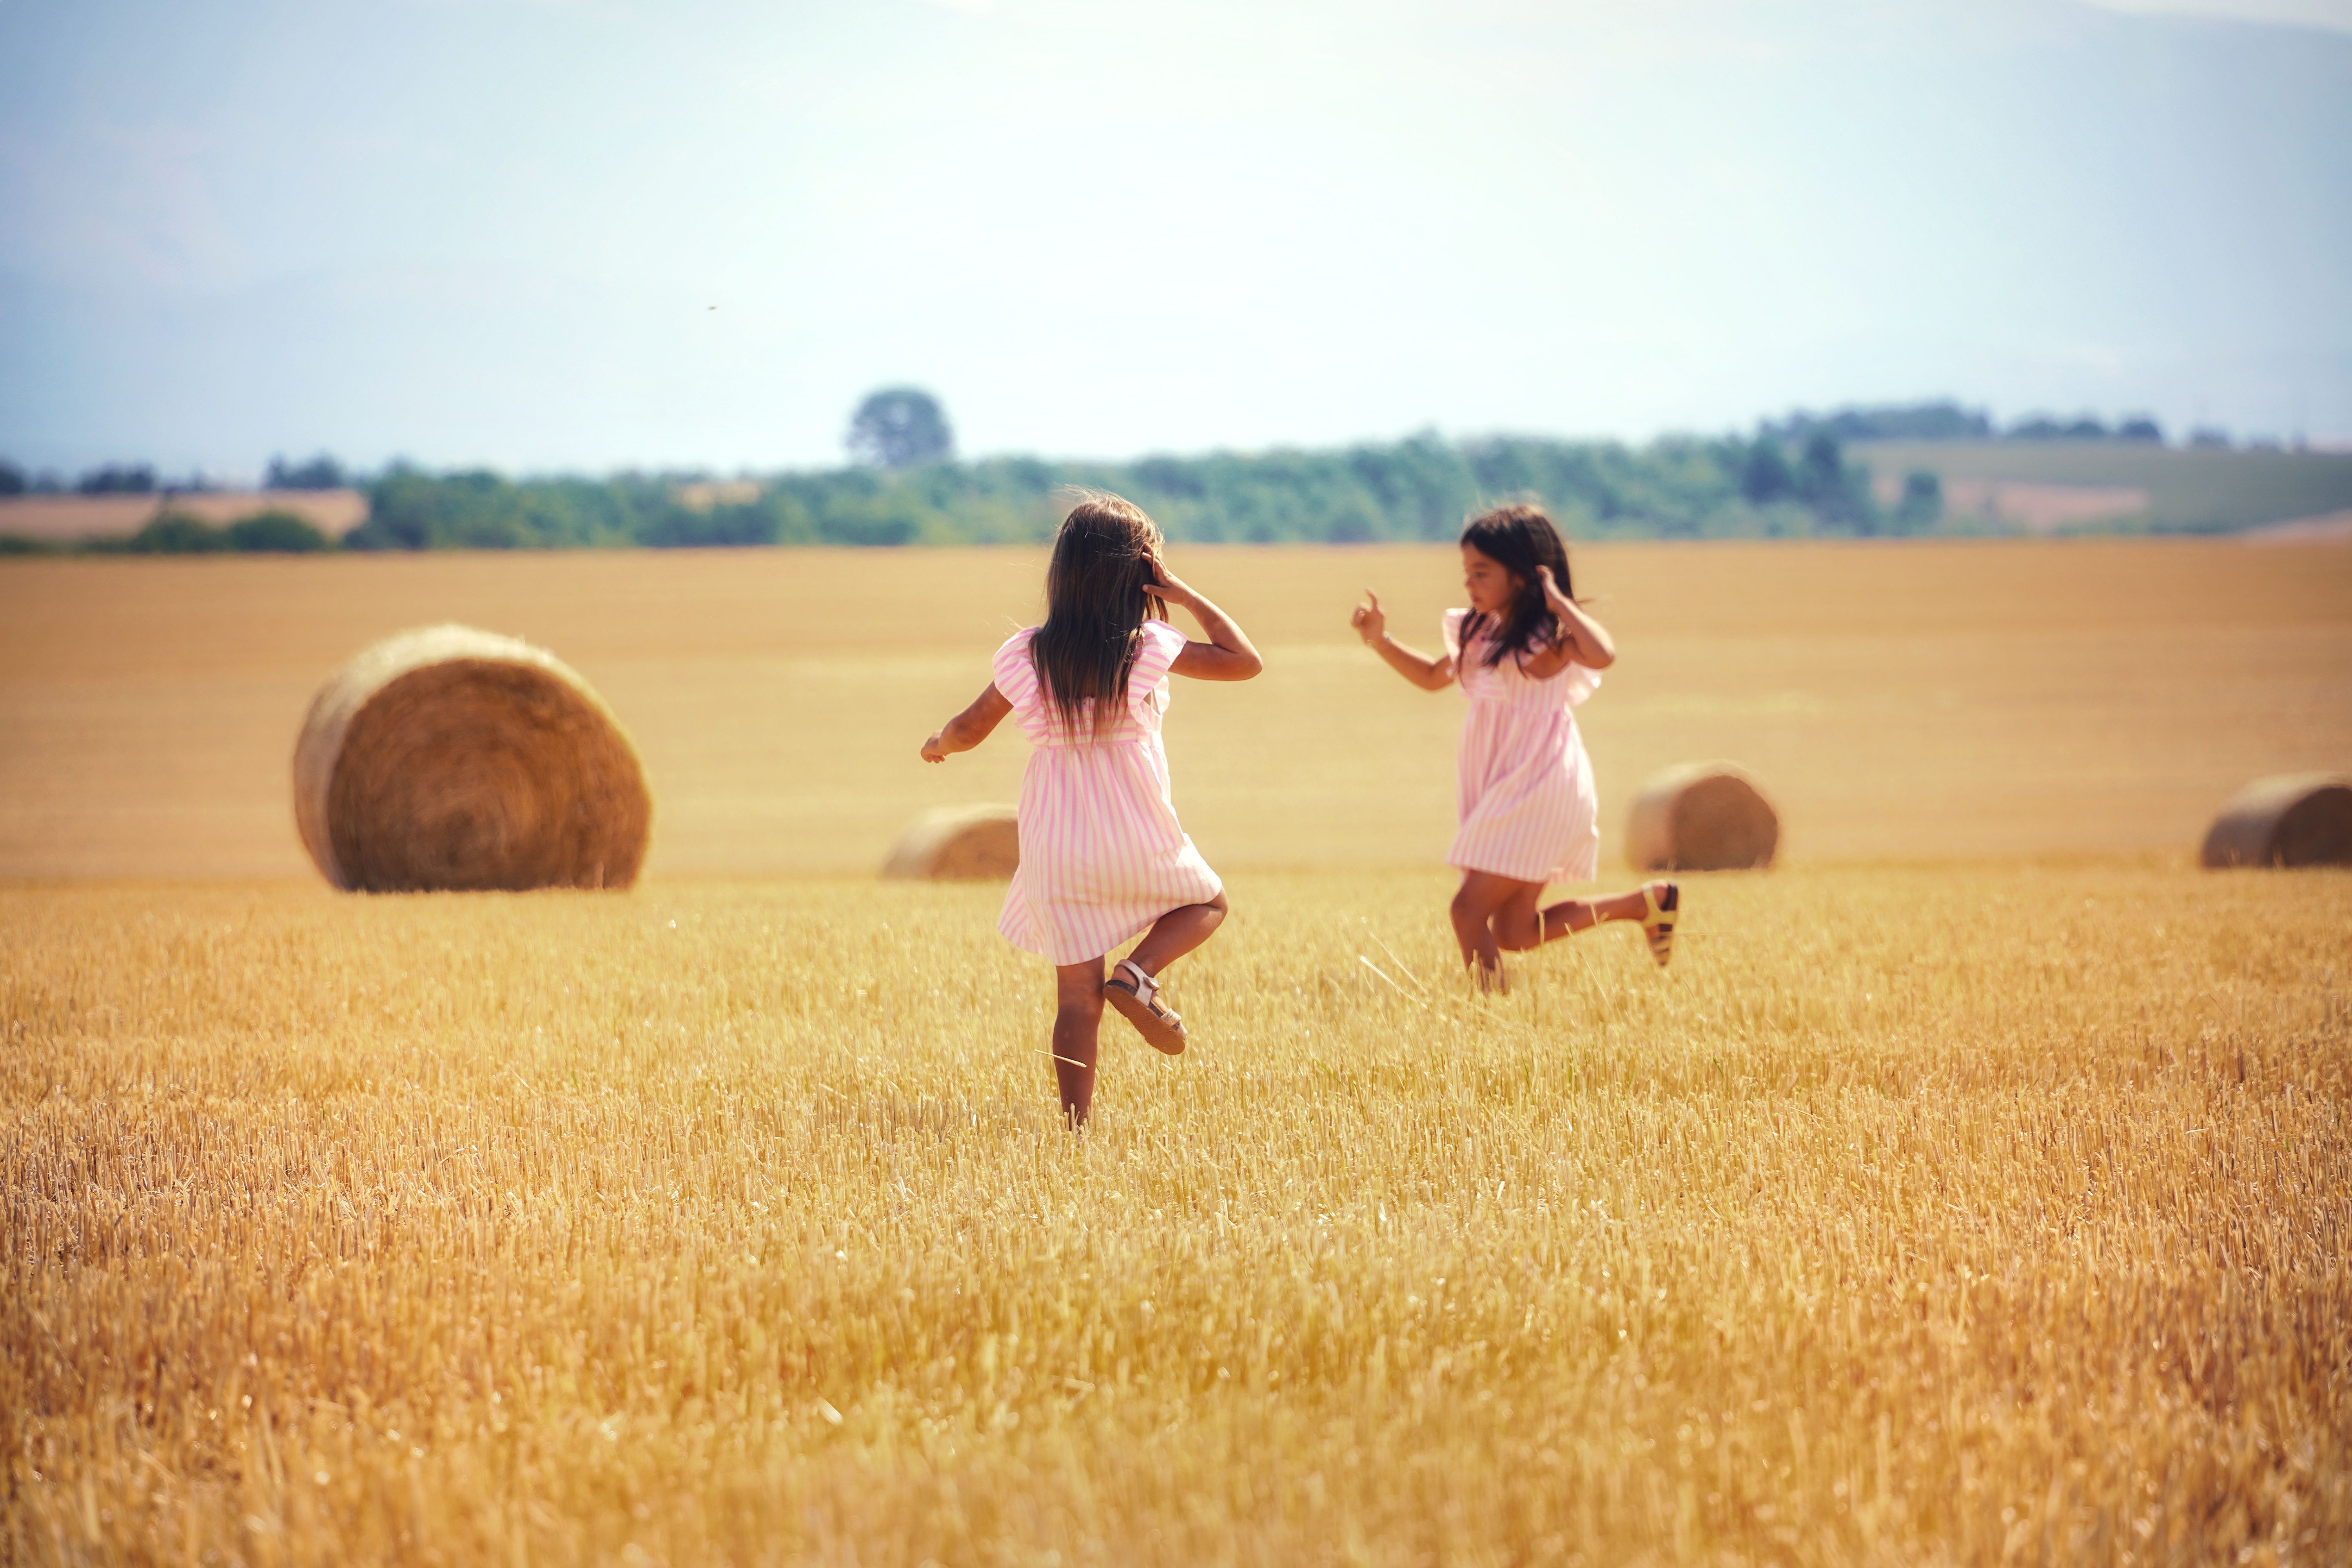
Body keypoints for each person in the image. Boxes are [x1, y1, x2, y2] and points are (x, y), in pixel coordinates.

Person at [921, 491, 1262, 1126]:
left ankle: (1076, 1127)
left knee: (1076, 997)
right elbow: (1246, 663)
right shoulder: (1148, 646)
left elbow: (970, 728)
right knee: (1208, 902)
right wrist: (1184, 595)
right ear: (1143, 573)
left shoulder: (1026, 654)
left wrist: (939, 744)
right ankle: (1140, 972)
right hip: (1136, 830)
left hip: (1057, 843)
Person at [1349, 502, 1677, 989]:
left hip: (1542, 783)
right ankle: (1643, 903)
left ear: (1523, 576)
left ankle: (1490, 1016)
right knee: (1515, 931)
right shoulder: (1476, 630)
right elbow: (1431, 676)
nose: (1469, 583)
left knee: (1467, 911)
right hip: (1501, 783)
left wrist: (1558, 601)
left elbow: (1603, 654)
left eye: (1482, 572)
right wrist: (1380, 640)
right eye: (1466, 571)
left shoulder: (1553, 636)